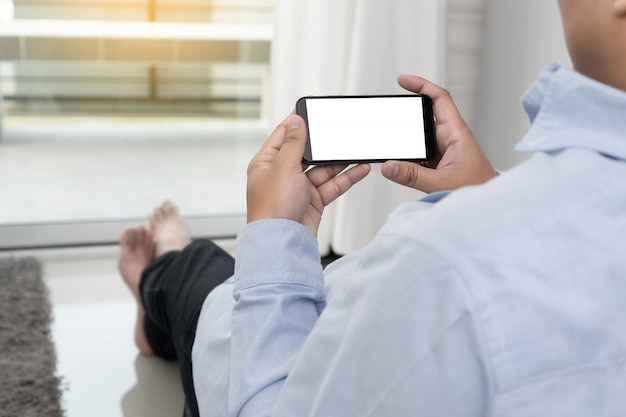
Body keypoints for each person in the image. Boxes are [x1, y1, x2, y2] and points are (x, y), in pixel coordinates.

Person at [120, 0, 626, 415]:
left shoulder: (445, 256)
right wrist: (487, 195)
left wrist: (274, 232)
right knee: (316, 274)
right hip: (353, 289)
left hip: (240, 364)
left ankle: (156, 277)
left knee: (200, 272)